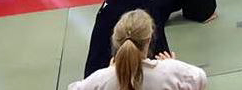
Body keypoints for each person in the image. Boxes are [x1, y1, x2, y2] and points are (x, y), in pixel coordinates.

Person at [68, 9, 207, 90]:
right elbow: (200, 79)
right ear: (149, 39)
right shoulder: (170, 71)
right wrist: (172, 64)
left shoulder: (101, 79)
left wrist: (110, 71)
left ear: (116, 40)